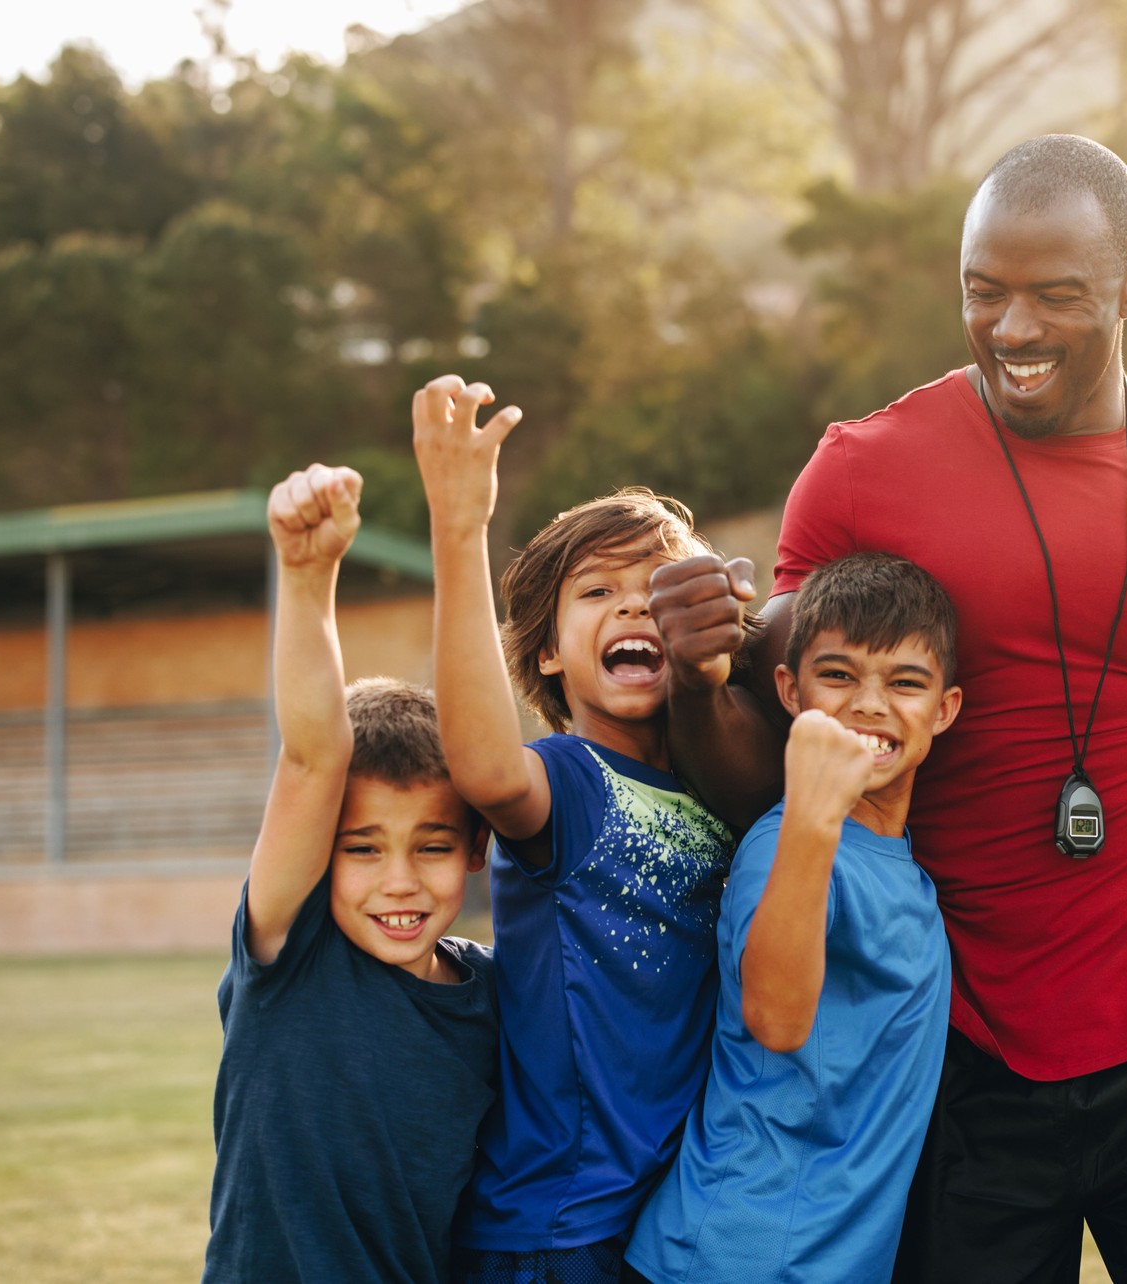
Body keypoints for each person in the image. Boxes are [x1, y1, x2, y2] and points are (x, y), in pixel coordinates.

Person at [650, 134, 1127, 1282]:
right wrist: (690, 670)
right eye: (983, 293)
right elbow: (768, 750)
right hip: (966, 1052)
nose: (1013, 330)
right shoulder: (861, 471)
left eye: (1057, 297)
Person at [411, 377, 736, 1283]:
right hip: (558, 1227)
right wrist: (459, 527)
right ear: (548, 652)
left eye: (658, 588)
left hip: (674, 1218)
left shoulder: (722, 789)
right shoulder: (570, 779)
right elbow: (480, 765)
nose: (636, 607)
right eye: (598, 591)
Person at [625, 552, 962, 1284]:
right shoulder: (785, 841)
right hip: (732, 1257)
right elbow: (776, 1018)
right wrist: (813, 808)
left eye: (905, 682)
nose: (871, 704)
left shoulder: (901, 864)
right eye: (838, 676)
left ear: (945, 710)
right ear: (789, 688)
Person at [204, 464, 497, 1284]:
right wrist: (307, 576)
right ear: (317, 853)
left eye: (432, 847)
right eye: (362, 848)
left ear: (476, 850)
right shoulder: (291, 960)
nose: (399, 881)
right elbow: (311, 759)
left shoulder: (492, 997)